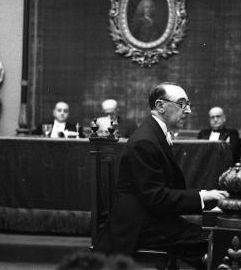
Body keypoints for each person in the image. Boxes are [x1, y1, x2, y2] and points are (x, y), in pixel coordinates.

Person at [96, 83, 229, 269]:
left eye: (188, 104)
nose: (189, 110)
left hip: (149, 219)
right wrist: (203, 198)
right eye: (182, 104)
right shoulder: (145, 141)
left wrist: (204, 197)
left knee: (211, 237)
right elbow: (156, 198)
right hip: (138, 227)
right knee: (217, 239)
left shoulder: (154, 132)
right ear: (160, 106)